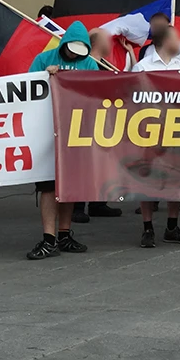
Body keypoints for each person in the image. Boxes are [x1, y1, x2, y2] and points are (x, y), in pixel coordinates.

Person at [26, 21, 99, 260]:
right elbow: (27, 89)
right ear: (64, 44)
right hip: (47, 131)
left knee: (69, 185)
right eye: (71, 50)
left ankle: (64, 234)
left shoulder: (90, 64)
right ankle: (49, 238)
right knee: (48, 186)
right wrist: (43, 76)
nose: (74, 56)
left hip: (75, 132)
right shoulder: (44, 59)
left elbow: (98, 94)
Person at [131, 27, 180, 248]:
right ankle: (147, 227)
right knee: (148, 178)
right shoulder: (142, 67)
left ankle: (172, 226)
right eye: (176, 38)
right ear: (165, 41)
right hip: (149, 131)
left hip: (175, 130)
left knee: (174, 177)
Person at [71, 28, 123, 223]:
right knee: (83, 164)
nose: (111, 43)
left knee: (100, 164)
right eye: (107, 39)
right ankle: (77, 206)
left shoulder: (103, 64)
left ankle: (97, 202)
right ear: (96, 43)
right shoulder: (88, 65)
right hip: (85, 122)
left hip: (103, 121)